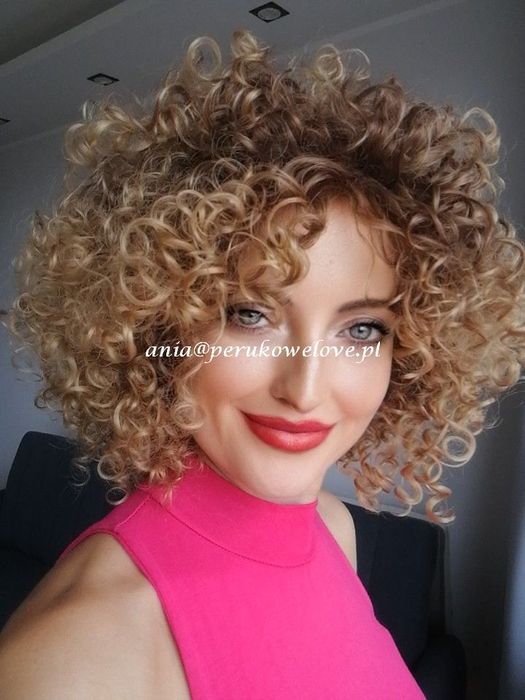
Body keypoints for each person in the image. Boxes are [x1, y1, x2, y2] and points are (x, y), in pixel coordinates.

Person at [0, 28, 523, 700]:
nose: (304, 389)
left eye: (362, 328)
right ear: (159, 322)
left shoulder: (335, 530)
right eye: (249, 314)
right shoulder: (74, 660)